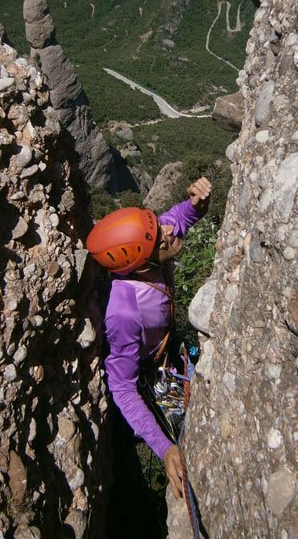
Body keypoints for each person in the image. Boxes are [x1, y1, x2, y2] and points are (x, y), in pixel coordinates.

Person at [86, 177, 212, 499]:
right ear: (140, 264)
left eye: (158, 225)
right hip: (147, 370)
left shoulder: (149, 242)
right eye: (158, 237)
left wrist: (196, 205)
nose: (168, 231)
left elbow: (179, 219)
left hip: (165, 349)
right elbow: (122, 387)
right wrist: (164, 448)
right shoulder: (125, 312)